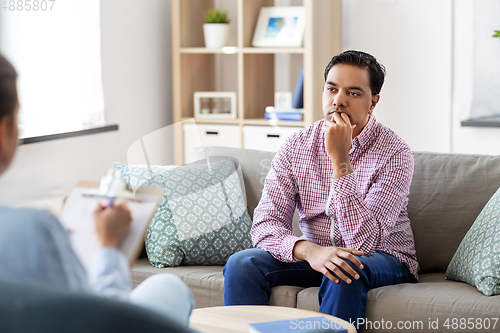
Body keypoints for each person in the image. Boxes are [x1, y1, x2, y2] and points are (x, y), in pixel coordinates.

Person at [223, 50, 419, 330]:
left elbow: (364, 244)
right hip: (318, 255)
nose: (338, 100)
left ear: (373, 102)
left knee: (346, 268)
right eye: (332, 89)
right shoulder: (296, 145)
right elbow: (265, 226)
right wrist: (310, 251)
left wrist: (340, 160)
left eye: (353, 93)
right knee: (242, 264)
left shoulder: (395, 153)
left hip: (383, 257)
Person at [0, 53, 193, 327]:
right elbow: (103, 321)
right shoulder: (34, 232)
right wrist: (109, 247)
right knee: (171, 289)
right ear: (4, 129)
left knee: (166, 287)